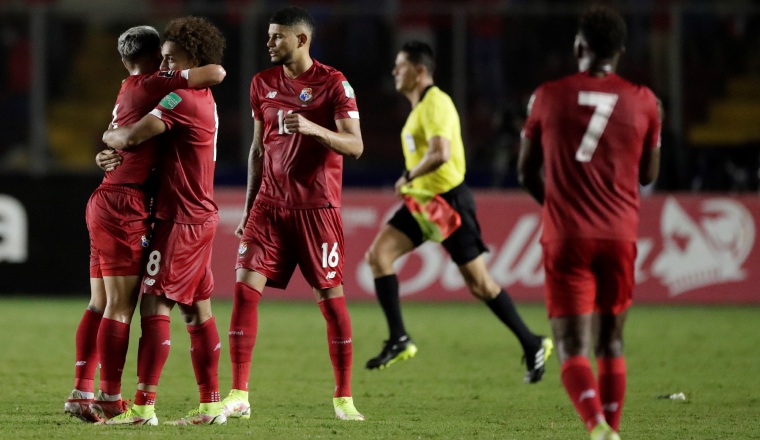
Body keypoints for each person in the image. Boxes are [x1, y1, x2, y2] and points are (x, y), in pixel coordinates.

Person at [364, 40, 553, 384]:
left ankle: (533, 342)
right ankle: (399, 338)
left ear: (420, 71)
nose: (394, 71)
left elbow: (441, 152)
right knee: (379, 256)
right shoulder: (419, 108)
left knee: (480, 284)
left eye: (400, 65)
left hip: (446, 202)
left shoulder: (436, 102)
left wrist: (408, 175)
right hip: (423, 202)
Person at [64, 24, 225, 423]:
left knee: (115, 304)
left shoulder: (164, 93)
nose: (167, 65)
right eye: (164, 58)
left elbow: (133, 135)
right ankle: (128, 401)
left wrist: (109, 139)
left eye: (173, 59)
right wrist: (115, 142)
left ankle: (109, 397)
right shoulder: (170, 89)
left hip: (155, 208)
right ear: (154, 58)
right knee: (168, 309)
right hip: (153, 206)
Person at [517, 6, 661, 440]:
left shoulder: (546, 96)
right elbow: (649, 176)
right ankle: (609, 429)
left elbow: (526, 171)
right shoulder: (647, 101)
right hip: (620, 235)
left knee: (571, 345)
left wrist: (557, 203)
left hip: (566, 237)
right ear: (620, 51)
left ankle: (597, 425)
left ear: (578, 47)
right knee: (611, 342)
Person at [219, 6, 365, 421]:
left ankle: (343, 399)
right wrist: (248, 210)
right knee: (244, 290)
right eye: (268, 35)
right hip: (268, 207)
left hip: (316, 209)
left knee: (331, 301)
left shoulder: (334, 84)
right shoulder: (261, 83)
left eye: (277, 36)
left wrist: (313, 129)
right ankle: (239, 394)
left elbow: (355, 146)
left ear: (302, 40)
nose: (269, 43)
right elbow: (257, 149)